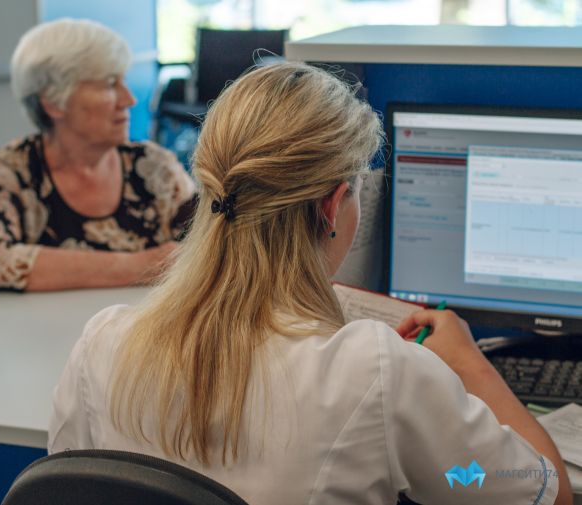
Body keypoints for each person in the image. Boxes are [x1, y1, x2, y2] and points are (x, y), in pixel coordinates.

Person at [47, 62, 572, 505]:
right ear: (330, 207)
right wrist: (469, 364)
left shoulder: (103, 342)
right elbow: (537, 491)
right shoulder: (374, 369)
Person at [0, 19, 196, 291]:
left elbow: (207, 249)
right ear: (54, 102)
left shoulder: (154, 165)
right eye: (110, 85)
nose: (128, 100)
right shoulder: (7, 171)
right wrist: (145, 264)